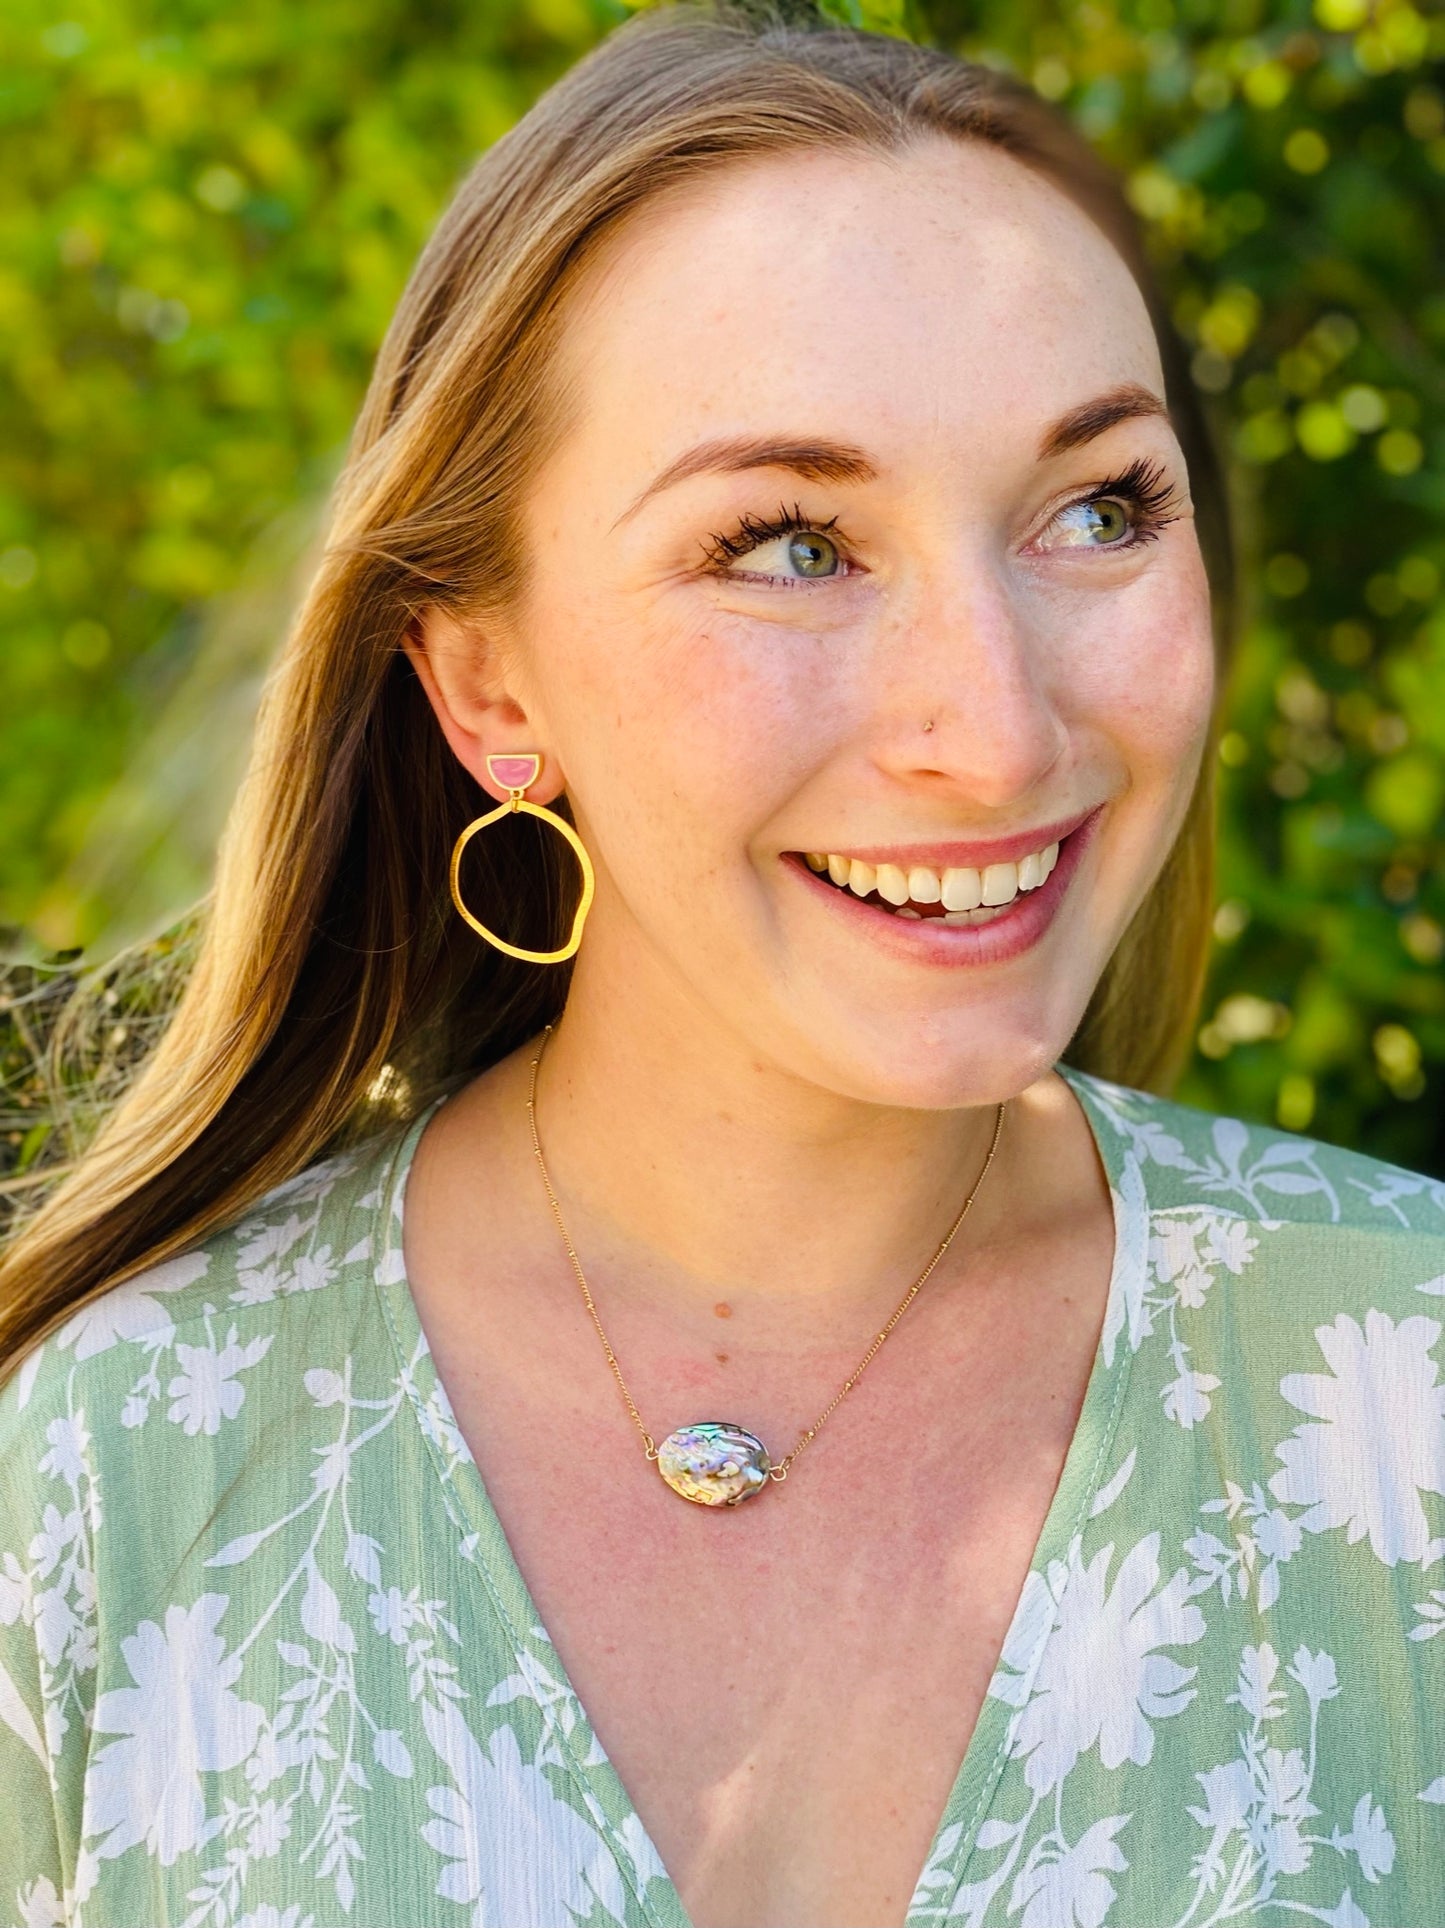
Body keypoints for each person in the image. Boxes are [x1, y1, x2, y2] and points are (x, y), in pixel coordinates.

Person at [2, 3, 1443, 1924]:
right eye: (784, 543)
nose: (997, 730)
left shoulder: (1400, 1399)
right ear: (486, 682)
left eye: (1099, 508)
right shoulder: (108, 1465)